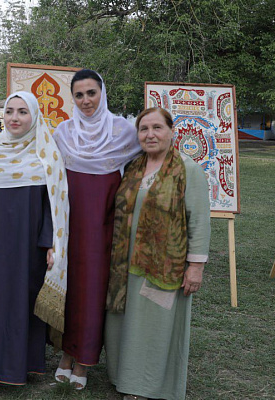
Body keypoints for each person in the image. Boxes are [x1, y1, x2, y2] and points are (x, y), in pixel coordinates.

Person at [0, 92, 69, 385]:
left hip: (28, 246)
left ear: (34, 116)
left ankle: (25, 366)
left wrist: (50, 242)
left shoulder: (45, 153)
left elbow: (53, 201)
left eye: (22, 112)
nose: (14, 118)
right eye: (9, 111)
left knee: (24, 300)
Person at [104, 107, 210, 400]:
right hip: (126, 262)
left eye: (157, 128)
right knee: (124, 322)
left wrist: (196, 266)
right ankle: (122, 376)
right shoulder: (134, 166)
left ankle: (144, 386)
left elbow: (198, 219)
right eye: (143, 129)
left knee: (152, 325)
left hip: (163, 266)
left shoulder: (187, 169)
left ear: (171, 131)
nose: (150, 134)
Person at [52, 69, 142, 389]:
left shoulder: (124, 131)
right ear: (72, 98)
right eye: (79, 95)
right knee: (69, 288)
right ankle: (66, 353)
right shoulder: (62, 132)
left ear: (102, 92)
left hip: (102, 225)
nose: (86, 100)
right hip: (68, 223)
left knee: (92, 290)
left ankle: (85, 360)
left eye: (91, 93)